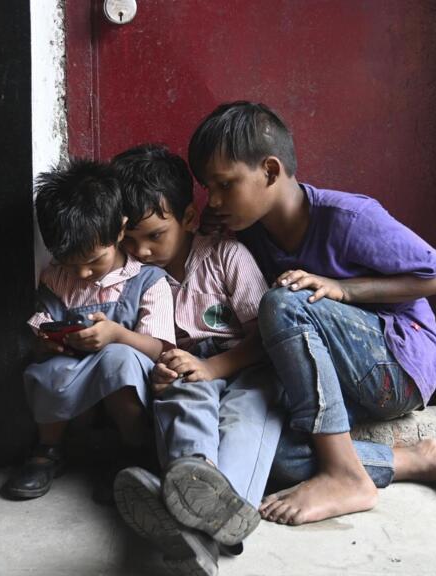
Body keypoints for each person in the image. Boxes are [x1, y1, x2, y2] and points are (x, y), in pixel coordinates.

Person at [187, 101, 436, 526]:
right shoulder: (248, 231)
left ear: (271, 172)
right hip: (332, 373)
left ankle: (344, 474)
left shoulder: (349, 218)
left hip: (396, 359)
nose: (214, 199)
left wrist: (344, 290)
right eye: (207, 188)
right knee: (266, 449)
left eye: (224, 184)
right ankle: (418, 461)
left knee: (284, 301)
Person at [110, 144, 282, 576]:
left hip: (247, 364)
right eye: (129, 241)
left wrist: (214, 367)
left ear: (188, 218)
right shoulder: (132, 277)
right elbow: (154, 349)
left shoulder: (226, 255)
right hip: (185, 366)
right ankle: (197, 496)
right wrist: (171, 370)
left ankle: (190, 512)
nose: (142, 251)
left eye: (154, 235)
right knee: (185, 399)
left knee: (247, 418)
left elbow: (266, 337)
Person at [1, 158, 175, 500]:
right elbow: (40, 331)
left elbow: (161, 349)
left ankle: (134, 452)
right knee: (48, 370)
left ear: (120, 231)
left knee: (118, 359)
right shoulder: (56, 278)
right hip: (74, 376)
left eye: (94, 261)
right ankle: (47, 450)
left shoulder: (148, 281)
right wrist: (47, 345)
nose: (81, 274)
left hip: (127, 380)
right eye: (71, 263)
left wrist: (116, 335)